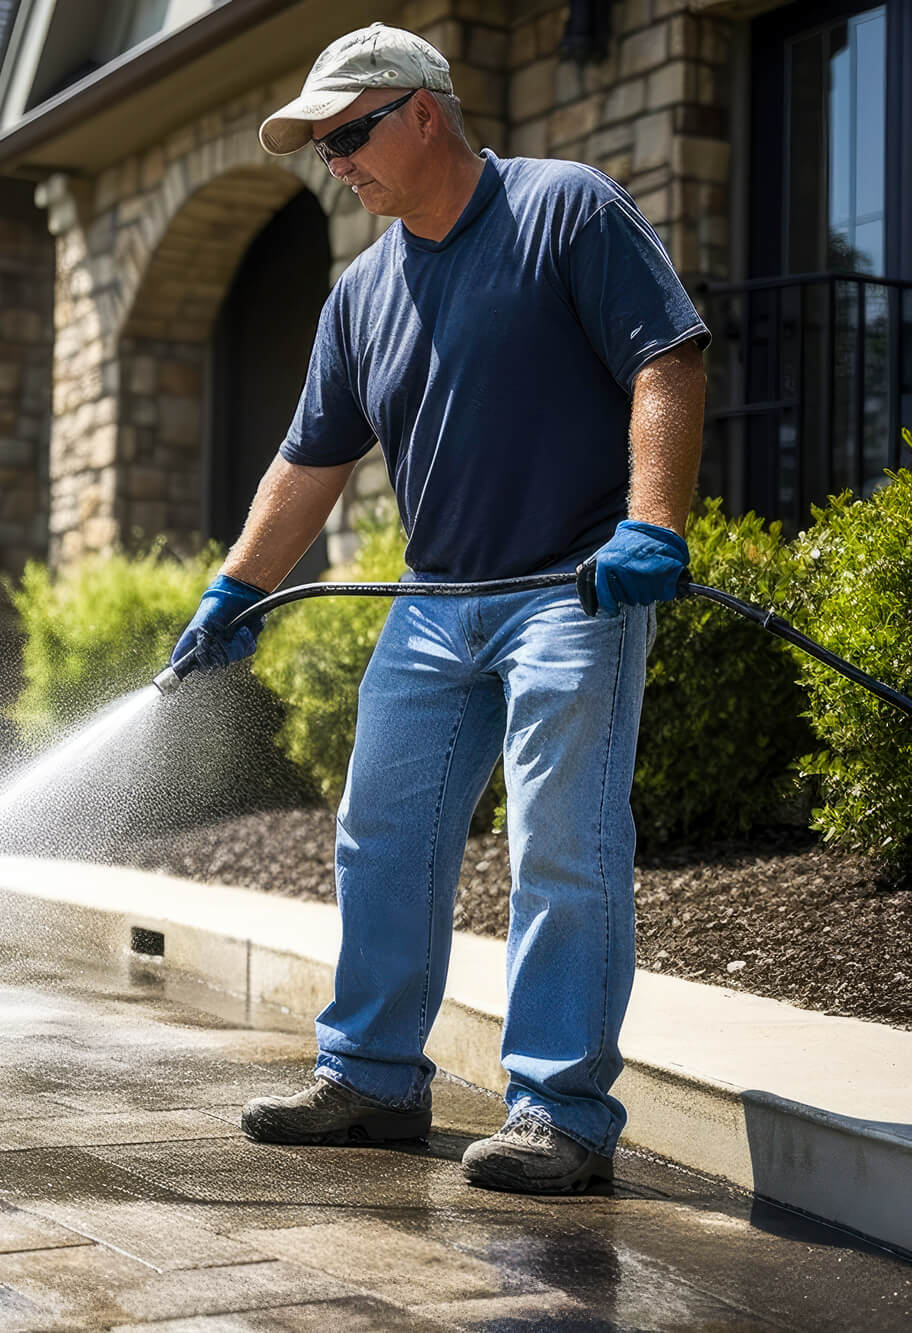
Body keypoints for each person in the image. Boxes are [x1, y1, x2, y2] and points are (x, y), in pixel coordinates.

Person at [167, 23, 708, 1194]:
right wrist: (236, 588)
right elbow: (307, 460)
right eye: (320, 148)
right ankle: (370, 1079)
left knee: (561, 841)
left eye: (347, 136)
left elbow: (664, 360)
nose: (336, 164)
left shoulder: (563, 209)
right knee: (380, 835)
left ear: (421, 112)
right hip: (431, 607)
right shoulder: (359, 293)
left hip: (571, 590)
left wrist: (651, 524)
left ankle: (557, 1109)